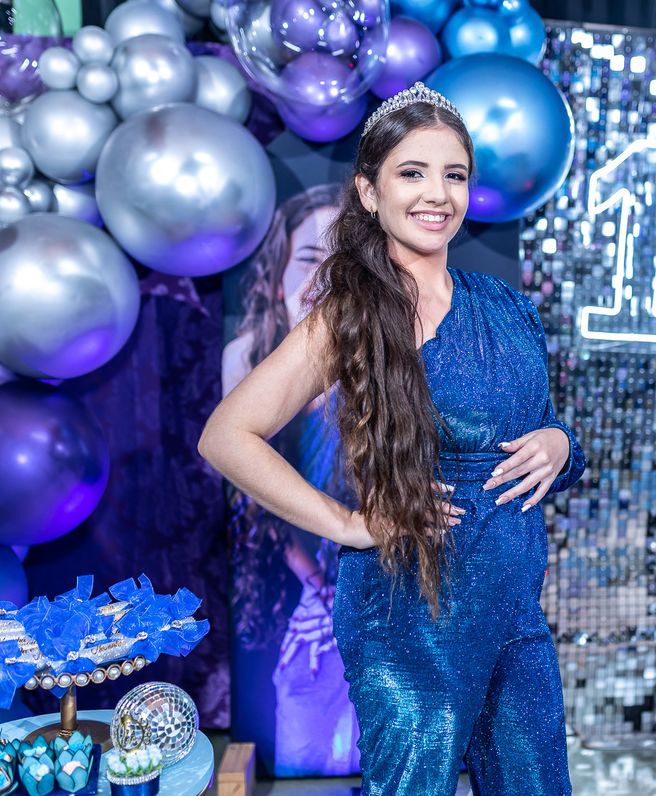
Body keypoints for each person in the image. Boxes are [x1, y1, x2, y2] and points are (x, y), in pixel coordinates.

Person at [199, 82, 585, 795]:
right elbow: (227, 437)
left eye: (454, 174)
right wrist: (349, 524)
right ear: (370, 193)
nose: (437, 193)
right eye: (413, 172)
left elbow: (542, 424)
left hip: (515, 608)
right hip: (409, 615)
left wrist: (559, 445)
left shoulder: (507, 305)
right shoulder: (350, 316)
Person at [222, 182, 361, 775]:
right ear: (277, 274)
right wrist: (312, 583)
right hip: (275, 567)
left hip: (357, 564)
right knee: (300, 713)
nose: (322, 279)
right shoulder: (247, 354)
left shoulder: (370, 355)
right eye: (307, 259)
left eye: (339, 263)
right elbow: (246, 487)